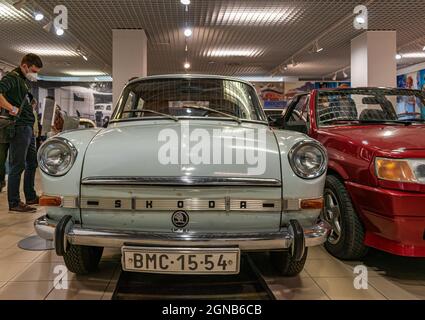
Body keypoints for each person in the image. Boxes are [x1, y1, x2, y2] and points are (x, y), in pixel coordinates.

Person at [0, 53, 43, 212]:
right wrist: (11, 108)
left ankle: (30, 196)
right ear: (24, 65)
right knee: (17, 165)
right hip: (18, 127)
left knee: (32, 163)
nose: (35, 73)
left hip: (27, 128)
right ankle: (14, 202)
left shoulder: (23, 81)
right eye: (33, 70)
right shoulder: (12, 78)